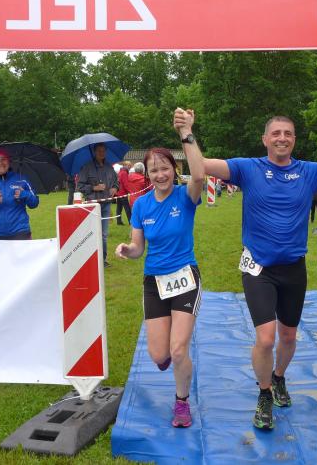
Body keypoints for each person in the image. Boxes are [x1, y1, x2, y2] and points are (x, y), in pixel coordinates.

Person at [202, 115, 317, 430]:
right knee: (265, 338)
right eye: (276, 133)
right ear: (265, 139)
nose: (282, 138)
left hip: (293, 269)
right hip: (258, 268)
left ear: (294, 139)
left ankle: (279, 377)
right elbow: (201, 165)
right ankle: (264, 394)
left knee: (287, 335)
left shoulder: (309, 171)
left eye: (288, 133)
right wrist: (187, 134)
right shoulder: (248, 168)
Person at [115, 108, 205, 429]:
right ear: (148, 174)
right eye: (154, 170)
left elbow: (199, 176)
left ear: (173, 170)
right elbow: (138, 246)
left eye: (165, 168)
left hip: (184, 278)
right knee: (159, 355)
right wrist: (129, 250)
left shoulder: (185, 196)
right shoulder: (141, 205)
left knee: (178, 351)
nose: (160, 174)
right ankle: (172, 360)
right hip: (154, 282)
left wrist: (186, 133)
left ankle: (181, 402)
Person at [0, 148, 39, 240]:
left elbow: (34, 203)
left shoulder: (22, 180)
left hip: (20, 232)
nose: (0, 163)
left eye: (3, 159)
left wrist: (24, 194)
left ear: (9, 161)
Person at [78, 144, 119, 266]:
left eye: (103, 151)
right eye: (99, 151)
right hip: (92, 205)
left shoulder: (109, 167)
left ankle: (102, 260)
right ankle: (90, 258)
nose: (102, 153)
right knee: (91, 233)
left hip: (106, 204)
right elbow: (79, 186)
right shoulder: (87, 167)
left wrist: (115, 188)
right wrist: (93, 187)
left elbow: (116, 182)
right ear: (94, 152)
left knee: (103, 234)